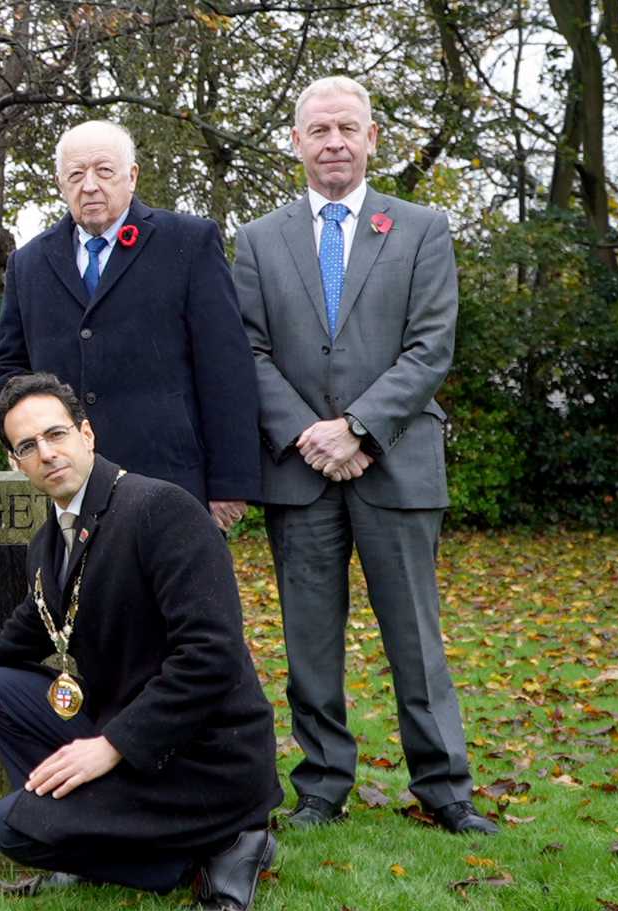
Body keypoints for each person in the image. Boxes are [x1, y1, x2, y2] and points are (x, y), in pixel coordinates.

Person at [0, 373, 282, 911]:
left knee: (14, 828)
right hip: (128, 731)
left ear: (87, 433)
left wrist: (112, 745)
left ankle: (224, 843)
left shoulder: (161, 510)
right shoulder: (48, 543)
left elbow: (211, 657)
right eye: (28, 446)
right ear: (15, 462)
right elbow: (12, 641)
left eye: (57, 435)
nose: (47, 454)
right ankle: (132, 848)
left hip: (203, 759)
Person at [232, 76, 495, 834]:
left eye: (348, 127)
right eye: (319, 129)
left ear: (373, 138)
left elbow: (430, 347)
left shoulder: (420, 228)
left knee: (416, 635)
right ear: (297, 142)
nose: (335, 141)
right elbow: (246, 352)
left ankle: (445, 788)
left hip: (398, 464)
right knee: (309, 642)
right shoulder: (256, 239)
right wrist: (310, 434)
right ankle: (321, 785)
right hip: (299, 472)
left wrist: (357, 427)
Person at [0, 120, 259, 530]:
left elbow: (227, 368)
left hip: (175, 484)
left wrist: (230, 482)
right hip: (70, 491)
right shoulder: (28, 264)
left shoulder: (189, 242)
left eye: (104, 171)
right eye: (76, 175)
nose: (90, 185)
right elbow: (6, 372)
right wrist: (30, 443)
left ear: (131, 176)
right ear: (60, 183)